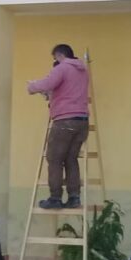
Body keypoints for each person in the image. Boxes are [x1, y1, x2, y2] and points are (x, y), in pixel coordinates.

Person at [26, 44, 90, 209]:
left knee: (54, 159)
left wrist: (32, 86)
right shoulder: (83, 70)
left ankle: (55, 198)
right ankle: (74, 197)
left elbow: (48, 83)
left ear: (60, 55)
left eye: (55, 58)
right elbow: (65, 89)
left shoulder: (63, 67)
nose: (55, 60)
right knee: (71, 159)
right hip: (82, 121)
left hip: (64, 120)